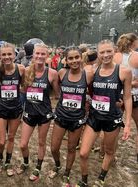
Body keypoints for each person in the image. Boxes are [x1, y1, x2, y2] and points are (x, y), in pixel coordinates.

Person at [77, 40, 132, 187]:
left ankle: (101, 178)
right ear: (98, 53)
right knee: (83, 153)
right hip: (94, 117)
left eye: (109, 51)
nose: (106, 55)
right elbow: (80, 86)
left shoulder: (124, 71)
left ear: (114, 51)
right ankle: (84, 180)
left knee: (108, 151)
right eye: (102, 52)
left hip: (112, 119)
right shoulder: (92, 71)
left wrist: (127, 124)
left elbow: (127, 97)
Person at [48, 47, 93, 186]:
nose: (74, 61)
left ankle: (67, 172)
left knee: (71, 148)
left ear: (81, 58)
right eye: (70, 58)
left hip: (77, 119)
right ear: (66, 60)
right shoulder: (61, 73)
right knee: (54, 148)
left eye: (76, 57)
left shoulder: (88, 75)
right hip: (61, 116)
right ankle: (57, 165)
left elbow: (93, 92)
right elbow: (57, 92)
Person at [17, 43, 59, 181]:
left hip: (44, 114)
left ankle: (38, 167)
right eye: (38, 54)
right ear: (33, 55)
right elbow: (23, 90)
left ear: (47, 56)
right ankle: (26, 162)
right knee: (23, 144)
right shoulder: (26, 71)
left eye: (43, 54)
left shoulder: (52, 73)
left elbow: (57, 93)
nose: (40, 56)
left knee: (41, 142)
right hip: (29, 112)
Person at [0, 43, 25, 176]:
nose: (7, 57)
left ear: (14, 55)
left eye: (9, 54)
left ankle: (8, 162)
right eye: (4, 54)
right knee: (1, 140)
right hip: (1, 109)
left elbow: (23, 86)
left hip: (15, 109)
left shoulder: (21, 69)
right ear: (0, 56)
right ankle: (0, 159)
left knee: (11, 137)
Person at [113, 33, 138, 162]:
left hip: (117, 95)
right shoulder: (136, 56)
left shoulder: (114, 56)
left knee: (112, 126)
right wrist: (131, 83)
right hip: (133, 95)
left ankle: (105, 152)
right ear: (133, 42)